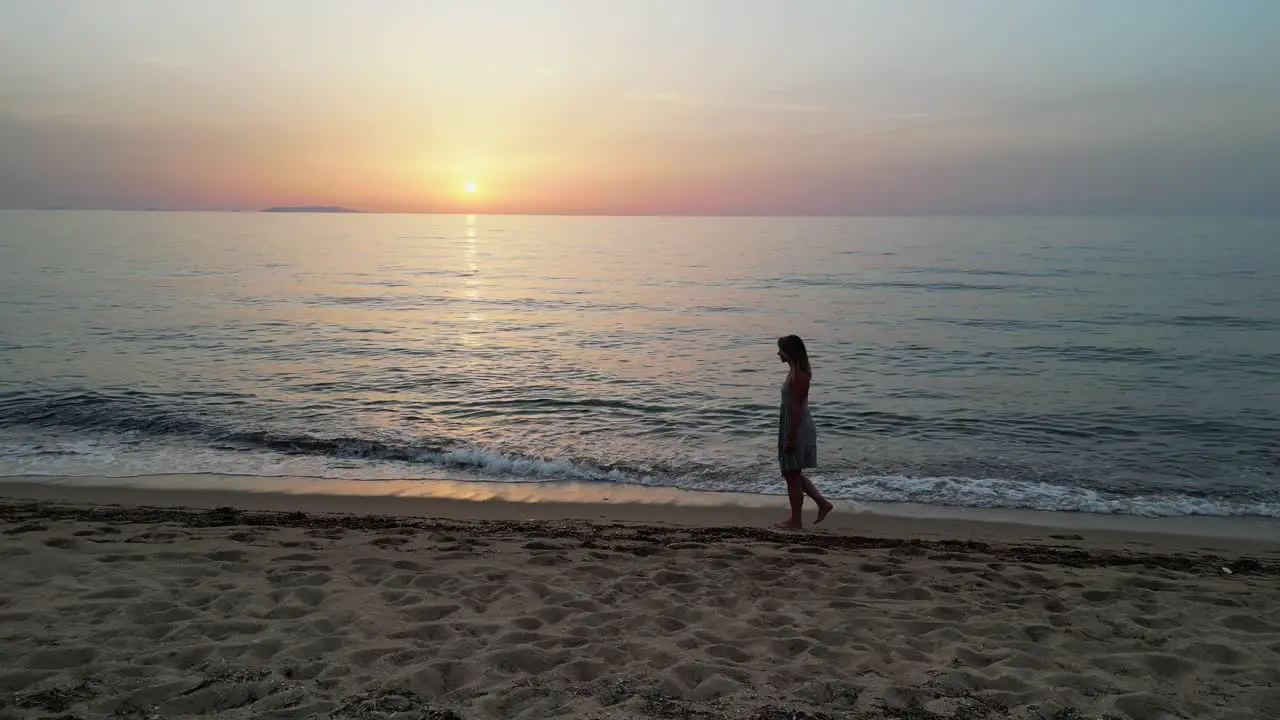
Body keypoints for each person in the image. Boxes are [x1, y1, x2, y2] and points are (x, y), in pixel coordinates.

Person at [774, 335, 832, 529]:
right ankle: (822, 503)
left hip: (797, 427)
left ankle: (796, 521)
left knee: (791, 473)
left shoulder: (799, 376)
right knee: (791, 472)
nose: (778, 353)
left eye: (781, 349)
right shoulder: (793, 372)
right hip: (792, 425)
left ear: (789, 352)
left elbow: (798, 409)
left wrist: (791, 436)